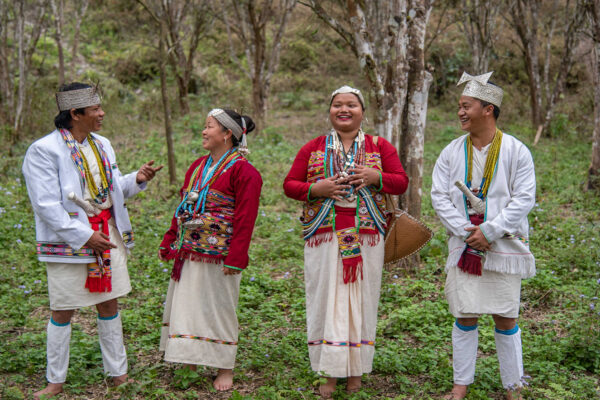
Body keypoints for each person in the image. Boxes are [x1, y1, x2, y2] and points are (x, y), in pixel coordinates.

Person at [22, 82, 162, 399]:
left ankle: (118, 374)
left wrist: (135, 180)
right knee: (62, 310)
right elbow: (45, 206)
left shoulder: (102, 145)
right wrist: (85, 236)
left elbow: (108, 191)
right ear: (75, 113)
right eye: (96, 109)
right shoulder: (44, 150)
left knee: (109, 303)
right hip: (71, 243)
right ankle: (55, 381)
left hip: (106, 235)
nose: (102, 113)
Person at [283, 85, 408, 397]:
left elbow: (401, 181)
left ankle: (355, 371)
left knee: (362, 299)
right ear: (330, 111)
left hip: (366, 236)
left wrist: (374, 177)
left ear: (362, 111)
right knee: (327, 298)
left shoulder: (380, 147)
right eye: (337, 104)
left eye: (351, 104)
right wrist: (317, 189)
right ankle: (330, 372)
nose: (344, 109)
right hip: (324, 236)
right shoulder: (312, 147)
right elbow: (290, 184)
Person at [431, 72, 536, 400]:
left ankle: (513, 386)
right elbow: (438, 196)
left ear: (488, 109)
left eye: (467, 106)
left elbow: (524, 198)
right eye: (459, 107)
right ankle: (460, 385)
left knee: (506, 317)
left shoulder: (517, 151)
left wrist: (489, 230)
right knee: (465, 313)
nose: (460, 112)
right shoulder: (451, 152)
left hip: (503, 244)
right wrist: (467, 232)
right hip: (465, 245)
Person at [158, 108, 262, 391]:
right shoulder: (197, 167)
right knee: (188, 304)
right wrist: (171, 238)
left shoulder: (245, 172)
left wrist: (237, 256)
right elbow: (183, 206)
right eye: (205, 126)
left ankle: (224, 367)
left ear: (228, 134)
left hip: (221, 256)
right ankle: (189, 361)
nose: (204, 131)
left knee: (219, 307)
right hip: (190, 250)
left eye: (210, 126)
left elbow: (245, 218)